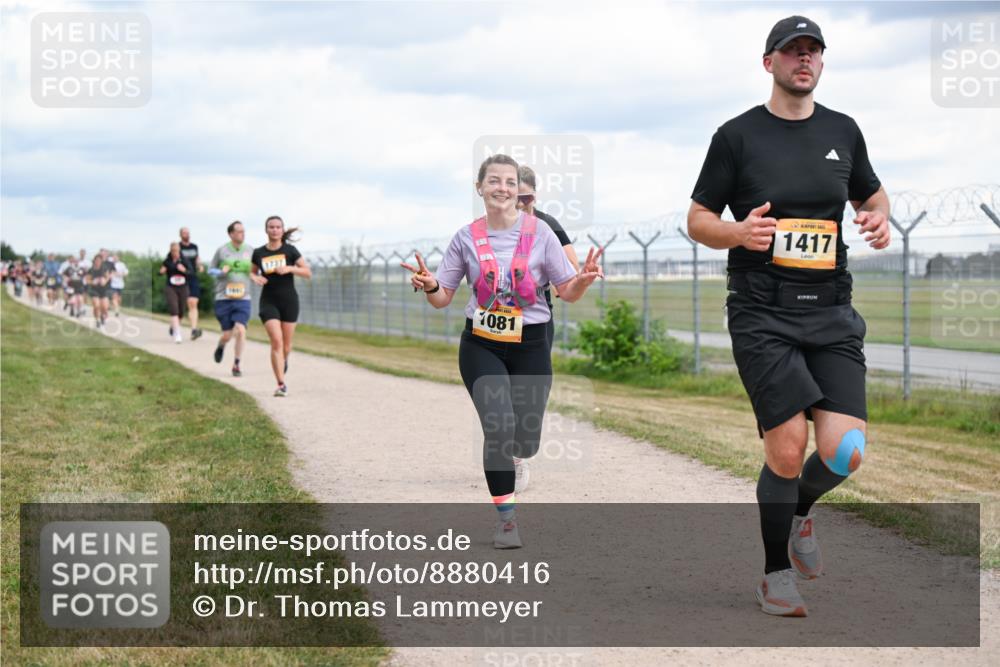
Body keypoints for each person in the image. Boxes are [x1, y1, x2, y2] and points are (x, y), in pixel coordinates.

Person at [687, 16, 891, 617]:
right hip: (761, 310)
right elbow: (698, 219)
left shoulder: (844, 131)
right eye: (792, 51)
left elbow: (870, 194)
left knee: (845, 450)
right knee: (786, 444)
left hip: (830, 308)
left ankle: (801, 512)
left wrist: (878, 215)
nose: (804, 59)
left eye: (813, 51)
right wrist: (738, 232)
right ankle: (775, 573)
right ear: (769, 62)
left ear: (821, 63)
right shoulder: (737, 136)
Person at [401, 154, 603, 549]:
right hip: (481, 344)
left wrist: (584, 280)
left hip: (531, 343)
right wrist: (428, 285)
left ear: (519, 190)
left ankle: (518, 455)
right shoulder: (465, 237)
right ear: (480, 187)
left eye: (509, 182)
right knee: (497, 426)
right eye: (494, 181)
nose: (502, 188)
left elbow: (567, 292)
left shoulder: (541, 232)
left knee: (525, 438)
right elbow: (442, 297)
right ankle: (506, 519)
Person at [514, 165, 580, 492]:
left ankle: (520, 451)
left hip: (537, 322)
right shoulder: (489, 229)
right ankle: (511, 456)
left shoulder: (547, 226)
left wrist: (572, 277)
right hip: (493, 322)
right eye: (514, 197)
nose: (520, 204)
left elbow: (571, 269)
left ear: (534, 196)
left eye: (526, 198)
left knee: (531, 391)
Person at [251, 216, 311, 396]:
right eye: (271, 227)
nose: (275, 230)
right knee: (276, 341)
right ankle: (280, 384)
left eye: (278, 227)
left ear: (282, 230)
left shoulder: (290, 251)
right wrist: (255, 278)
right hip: (268, 301)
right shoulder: (259, 252)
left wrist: (290, 269)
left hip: (289, 301)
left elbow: (307, 272)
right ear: (266, 230)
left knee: (286, 345)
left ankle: (283, 360)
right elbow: (252, 273)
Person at [209, 221, 254, 377]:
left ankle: (236, 364)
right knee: (227, 335)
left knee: (241, 331)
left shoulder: (250, 251)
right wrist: (221, 271)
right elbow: (210, 270)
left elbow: (256, 270)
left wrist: (256, 275)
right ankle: (221, 345)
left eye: (243, 231)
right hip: (223, 298)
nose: (243, 233)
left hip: (243, 298)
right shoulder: (222, 251)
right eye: (239, 231)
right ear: (231, 234)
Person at [160, 242, 191, 343]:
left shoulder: (184, 260)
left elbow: (191, 273)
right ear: (170, 251)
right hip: (171, 287)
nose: (175, 253)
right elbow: (160, 272)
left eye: (176, 251)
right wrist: (161, 272)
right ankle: (177, 334)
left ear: (179, 250)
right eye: (173, 251)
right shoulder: (167, 261)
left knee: (181, 311)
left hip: (183, 287)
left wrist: (184, 270)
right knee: (174, 309)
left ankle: (173, 326)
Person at [179, 227, 204, 340]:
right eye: (184, 233)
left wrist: (200, 265)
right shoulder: (178, 247)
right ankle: (175, 324)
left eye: (188, 233)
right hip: (181, 278)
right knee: (183, 304)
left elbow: (197, 258)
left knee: (193, 302)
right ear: (180, 235)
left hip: (193, 277)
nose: (187, 234)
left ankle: (194, 330)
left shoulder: (194, 247)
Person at [86, 254, 112, 328]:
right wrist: (93, 282)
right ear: (94, 261)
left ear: (101, 261)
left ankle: (103, 316)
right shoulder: (91, 270)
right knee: (96, 305)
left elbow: (108, 277)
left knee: (105, 307)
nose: (97, 262)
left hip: (104, 289)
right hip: (94, 290)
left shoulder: (104, 268)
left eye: (99, 260)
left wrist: (104, 281)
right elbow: (87, 280)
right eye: (96, 260)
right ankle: (97, 320)